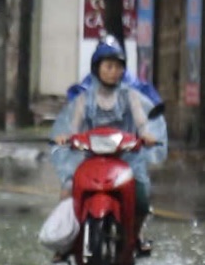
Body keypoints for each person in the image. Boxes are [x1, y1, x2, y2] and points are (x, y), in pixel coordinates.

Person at [50, 36, 167, 251]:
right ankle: (66, 242)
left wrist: (147, 134)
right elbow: (74, 125)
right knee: (68, 190)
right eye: (109, 66)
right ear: (98, 68)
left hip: (125, 159)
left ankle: (136, 236)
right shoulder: (85, 97)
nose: (114, 71)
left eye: (118, 67)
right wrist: (67, 137)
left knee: (140, 196)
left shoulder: (129, 95)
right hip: (90, 157)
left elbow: (141, 122)